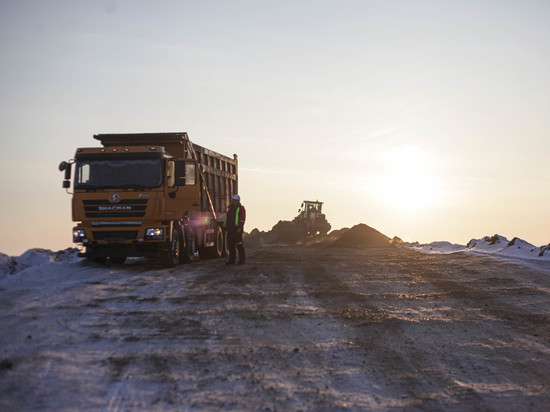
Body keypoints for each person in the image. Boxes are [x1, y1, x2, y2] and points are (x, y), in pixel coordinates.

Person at [224, 194, 246, 265]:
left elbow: (242, 219)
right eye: (233, 200)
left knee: (239, 245)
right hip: (230, 230)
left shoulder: (241, 208)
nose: (233, 201)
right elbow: (227, 219)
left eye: (234, 200)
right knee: (231, 246)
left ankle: (242, 261)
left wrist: (240, 227)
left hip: (237, 230)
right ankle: (231, 260)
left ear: (237, 201)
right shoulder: (230, 209)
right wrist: (225, 227)